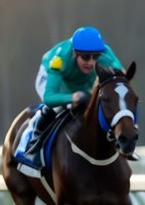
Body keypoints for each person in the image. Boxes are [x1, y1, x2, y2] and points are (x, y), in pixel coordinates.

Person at [16, 26, 123, 170]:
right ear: (75, 53)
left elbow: (122, 80)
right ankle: (33, 145)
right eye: (85, 57)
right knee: (56, 107)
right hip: (54, 79)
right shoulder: (59, 59)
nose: (91, 62)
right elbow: (49, 97)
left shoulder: (106, 54)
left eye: (95, 57)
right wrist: (73, 97)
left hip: (82, 81)